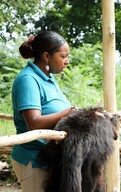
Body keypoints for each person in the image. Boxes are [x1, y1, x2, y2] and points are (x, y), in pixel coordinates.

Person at [11, 31, 76, 192]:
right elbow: (34, 123)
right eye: (63, 56)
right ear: (46, 56)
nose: (67, 61)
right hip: (34, 160)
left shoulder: (48, 78)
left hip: (50, 158)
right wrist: (67, 113)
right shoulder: (28, 80)